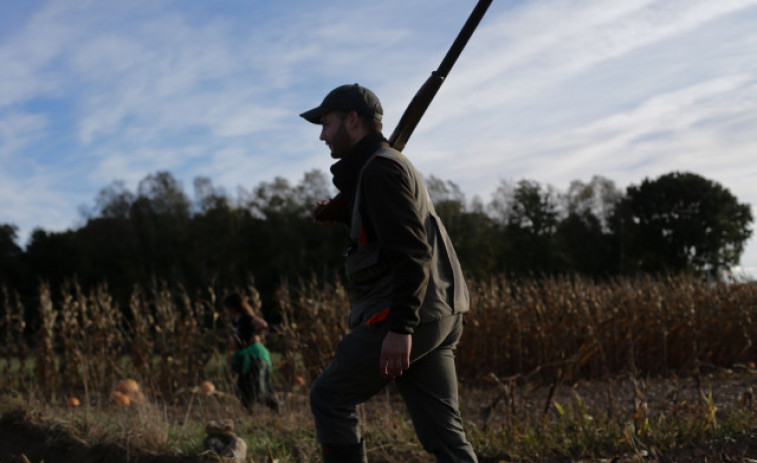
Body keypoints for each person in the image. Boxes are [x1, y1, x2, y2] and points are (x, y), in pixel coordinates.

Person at [301, 84, 478, 463]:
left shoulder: (380, 169)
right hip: (441, 311)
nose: (321, 134)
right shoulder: (379, 167)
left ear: (353, 120)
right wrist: (337, 213)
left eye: (327, 123)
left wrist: (400, 329)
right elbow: (382, 231)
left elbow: (412, 252)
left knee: (329, 397)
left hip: (405, 315)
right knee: (444, 435)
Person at [223, 292, 280, 413]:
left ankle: (274, 405)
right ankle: (249, 412)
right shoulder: (235, 320)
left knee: (255, 387)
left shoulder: (246, 317)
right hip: (244, 354)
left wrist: (255, 334)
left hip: (254, 355)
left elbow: (263, 324)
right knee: (241, 387)